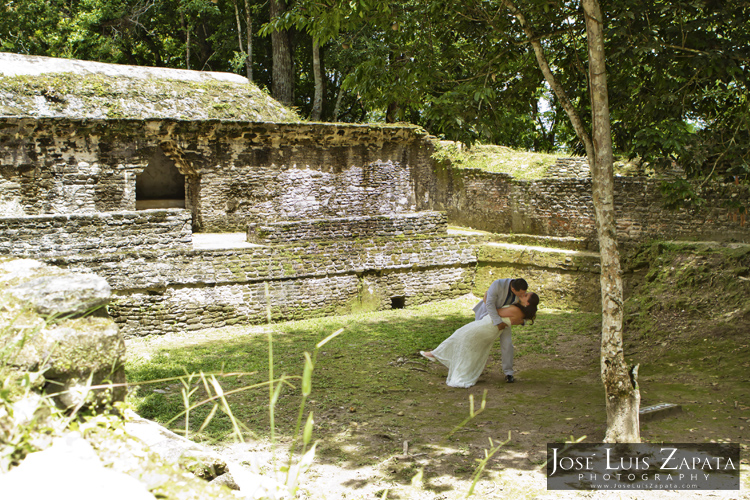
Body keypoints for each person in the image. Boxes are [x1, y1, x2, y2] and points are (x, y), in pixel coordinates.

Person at [420, 292, 539, 388]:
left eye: (525, 296)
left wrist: (487, 298)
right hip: (489, 328)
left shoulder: (516, 310)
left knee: (461, 338)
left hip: (486, 326)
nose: (523, 294)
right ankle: (437, 355)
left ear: (527, 303)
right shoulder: (520, 313)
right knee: (468, 345)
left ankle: (453, 369)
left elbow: (493, 311)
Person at [472, 278, 528, 383]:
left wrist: (522, 320)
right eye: (519, 294)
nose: (521, 296)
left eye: (523, 294)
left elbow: (524, 306)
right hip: (488, 316)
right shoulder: (497, 284)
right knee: (479, 343)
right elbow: (489, 304)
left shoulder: (520, 289)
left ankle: (509, 373)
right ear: (512, 288)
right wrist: (498, 322)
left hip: (505, 320)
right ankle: (473, 370)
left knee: (507, 344)